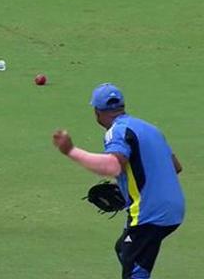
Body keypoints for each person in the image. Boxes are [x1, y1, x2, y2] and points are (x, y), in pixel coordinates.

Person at [52, 83, 185, 278]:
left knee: (134, 271)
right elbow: (175, 166)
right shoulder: (150, 128)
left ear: (97, 112)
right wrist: (127, 187)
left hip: (149, 214)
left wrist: (71, 151)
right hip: (174, 210)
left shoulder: (117, 131)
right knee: (124, 249)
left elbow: (113, 166)